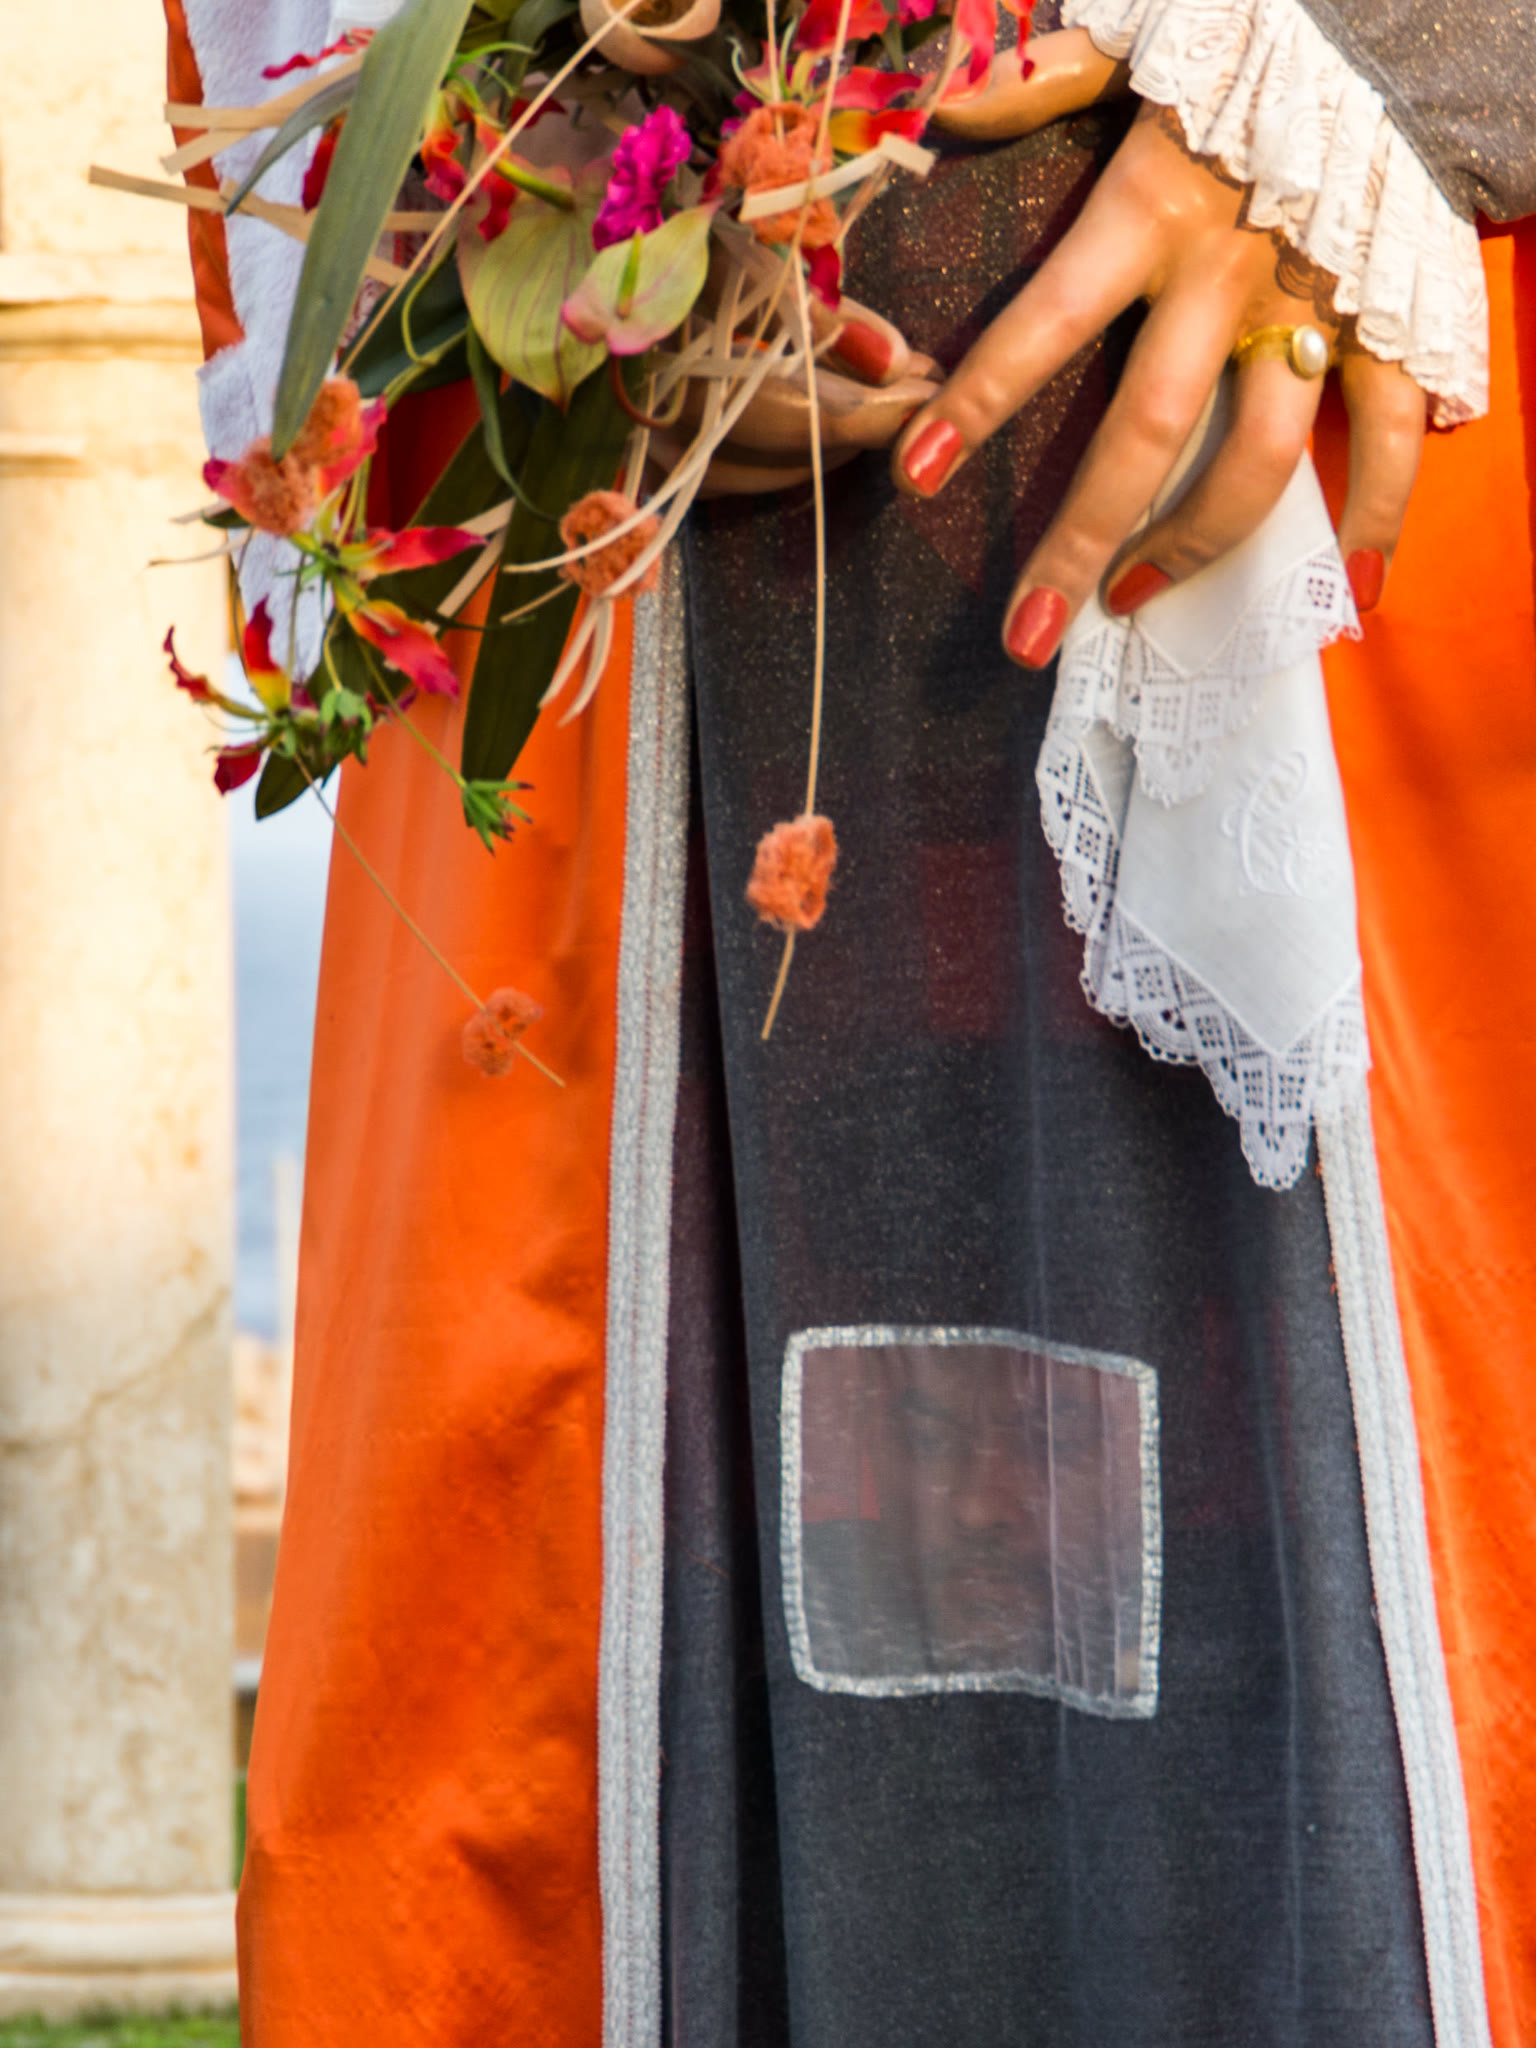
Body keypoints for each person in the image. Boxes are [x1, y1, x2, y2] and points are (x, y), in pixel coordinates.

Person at [165, 0, 1536, 2040]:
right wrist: (531, 158)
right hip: (619, 539)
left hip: (1296, 431)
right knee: (579, 1674)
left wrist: (1393, 67)